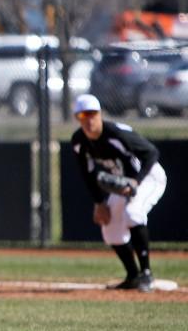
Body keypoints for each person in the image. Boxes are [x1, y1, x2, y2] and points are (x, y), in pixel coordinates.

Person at [71, 94, 167, 292]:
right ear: (77, 119)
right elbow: (87, 173)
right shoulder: (79, 142)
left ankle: (146, 274)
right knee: (109, 227)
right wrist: (99, 203)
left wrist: (136, 181)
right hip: (125, 182)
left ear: (99, 114)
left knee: (133, 213)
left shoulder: (115, 134)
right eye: (83, 115)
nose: (88, 120)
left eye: (92, 114)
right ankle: (132, 275)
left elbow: (151, 153)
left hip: (149, 177)